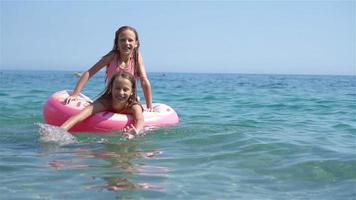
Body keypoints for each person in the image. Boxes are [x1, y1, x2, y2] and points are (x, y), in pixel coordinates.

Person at [65, 26, 153, 111]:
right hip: (111, 98)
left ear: (136, 43)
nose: (126, 43)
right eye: (122, 40)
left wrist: (149, 107)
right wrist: (75, 94)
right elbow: (89, 73)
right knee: (90, 109)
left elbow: (144, 81)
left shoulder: (137, 57)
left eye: (130, 40)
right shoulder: (112, 57)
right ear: (117, 43)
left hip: (128, 98)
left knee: (137, 111)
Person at [61, 71, 144, 139]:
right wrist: (61, 130)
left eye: (125, 89)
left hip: (131, 101)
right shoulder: (105, 103)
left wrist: (136, 131)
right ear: (111, 88)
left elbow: (140, 119)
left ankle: (138, 97)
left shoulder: (133, 106)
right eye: (117, 88)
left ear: (132, 91)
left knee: (137, 101)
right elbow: (79, 116)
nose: (121, 92)